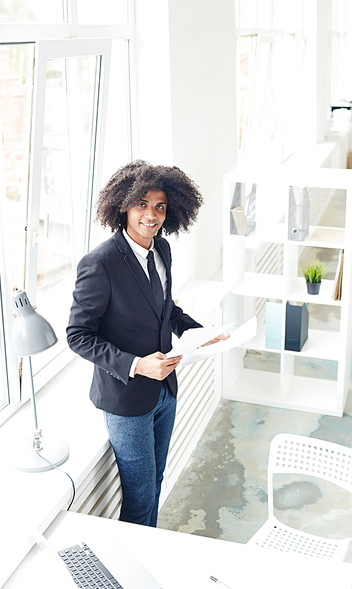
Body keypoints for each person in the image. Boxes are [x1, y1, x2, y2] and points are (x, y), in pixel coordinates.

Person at [67, 160, 227, 527]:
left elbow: (166, 308)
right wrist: (137, 364)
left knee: (154, 483)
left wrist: (200, 333)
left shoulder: (162, 250)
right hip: (127, 400)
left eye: (159, 207)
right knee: (139, 499)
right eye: (141, 204)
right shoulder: (100, 264)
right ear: (123, 206)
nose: (151, 215)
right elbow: (78, 336)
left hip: (165, 391)